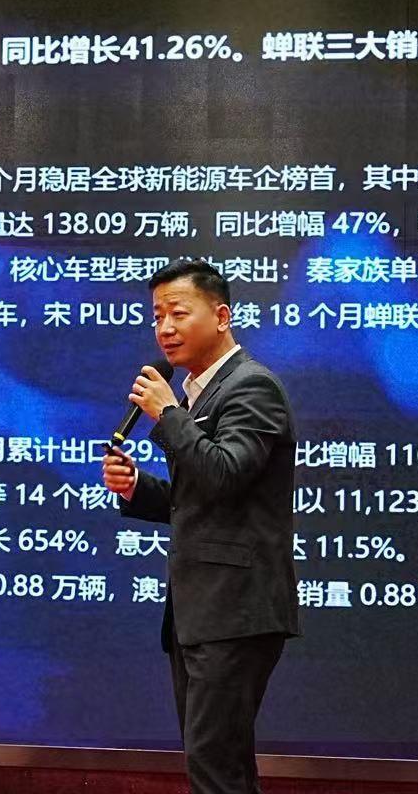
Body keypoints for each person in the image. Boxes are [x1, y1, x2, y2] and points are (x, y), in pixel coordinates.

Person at [102, 259, 298, 794]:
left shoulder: (252, 387)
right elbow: (203, 500)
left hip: (236, 610)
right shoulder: (198, 393)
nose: (164, 328)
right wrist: (137, 488)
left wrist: (169, 416)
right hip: (202, 612)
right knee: (218, 765)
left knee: (215, 768)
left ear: (221, 316)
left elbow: (225, 474)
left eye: (178, 313)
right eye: (157, 316)